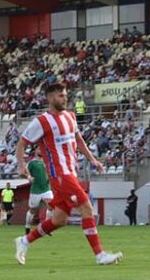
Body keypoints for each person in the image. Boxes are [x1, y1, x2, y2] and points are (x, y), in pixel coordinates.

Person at [14, 82, 122, 265]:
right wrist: (21, 164)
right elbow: (21, 144)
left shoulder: (71, 116)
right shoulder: (41, 122)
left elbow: (78, 140)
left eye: (65, 95)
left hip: (70, 171)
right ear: (50, 98)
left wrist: (92, 159)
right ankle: (99, 255)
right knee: (86, 206)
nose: (64, 98)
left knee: (59, 219)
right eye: (60, 96)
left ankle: (24, 241)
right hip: (59, 175)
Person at [23, 147, 54, 235]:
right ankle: (27, 228)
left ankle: (46, 227)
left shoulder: (47, 162)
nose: (41, 150)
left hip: (46, 188)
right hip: (36, 190)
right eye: (39, 149)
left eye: (42, 149)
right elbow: (24, 171)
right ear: (36, 151)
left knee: (51, 206)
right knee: (32, 210)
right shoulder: (32, 163)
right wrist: (29, 177)